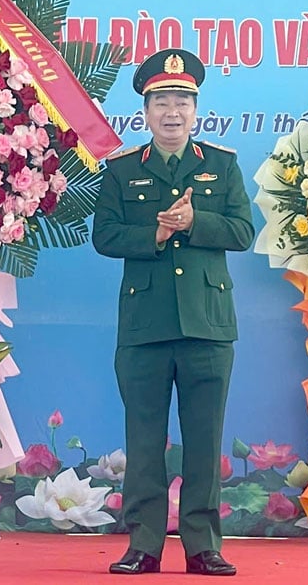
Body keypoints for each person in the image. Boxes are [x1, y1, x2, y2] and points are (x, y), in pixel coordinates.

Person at [93, 49, 254, 577]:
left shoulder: (221, 164)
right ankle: (143, 545)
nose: (172, 111)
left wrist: (194, 222)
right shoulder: (120, 170)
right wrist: (156, 233)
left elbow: (243, 232)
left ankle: (204, 546)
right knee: (144, 441)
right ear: (145, 109)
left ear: (195, 108)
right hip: (145, 326)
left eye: (182, 100)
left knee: (205, 441)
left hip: (208, 324)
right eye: (161, 100)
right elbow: (106, 236)